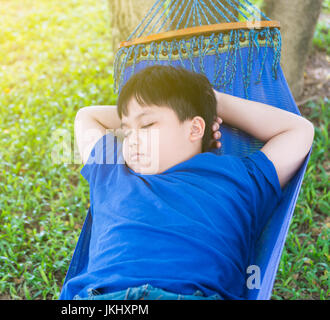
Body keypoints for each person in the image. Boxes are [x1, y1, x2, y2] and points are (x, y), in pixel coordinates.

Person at [59, 65, 314, 300]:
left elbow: (299, 131)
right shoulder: (113, 170)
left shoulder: (235, 178)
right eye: (126, 130)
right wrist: (139, 114)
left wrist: (213, 102)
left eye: (147, 125)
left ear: (194, 129)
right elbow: (87, 117)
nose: (132, 139)